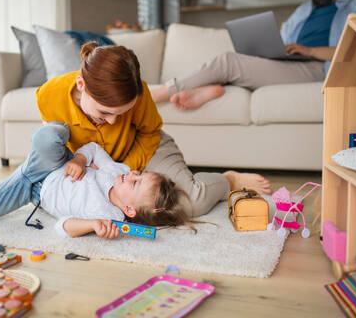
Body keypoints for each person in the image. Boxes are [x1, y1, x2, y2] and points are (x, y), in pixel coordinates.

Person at [36, 41, 272, 220]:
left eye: (122, 114)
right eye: (105, 113)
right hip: (98, 163)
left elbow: (150, 133)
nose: (112, 122)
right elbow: (53, 147)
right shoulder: (49, 96)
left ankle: (227, 180)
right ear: (81, 85)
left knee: (190, 204)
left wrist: (123, 170)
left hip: (146, 151)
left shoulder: (140, 93)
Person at [0, 123, 192, 239]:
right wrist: (80, 161)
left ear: (129, 211)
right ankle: (59, 127)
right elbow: (95, 148)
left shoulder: (106, 216)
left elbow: (62, 226)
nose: (132, 174)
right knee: (48, 139)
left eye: (136, 183)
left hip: (32, 189)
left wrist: (91, 226)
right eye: (139, 174)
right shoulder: (116, 171)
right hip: (56, 164)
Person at [151, 0, 356, 110]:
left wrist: (309, 51)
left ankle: (162, 92)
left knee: (228, 62)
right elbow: (282, 43)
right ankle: (213, 88)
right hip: (293, 64)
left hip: (322, 67)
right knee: (244, 60)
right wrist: (270, 49)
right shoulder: (303, 10)